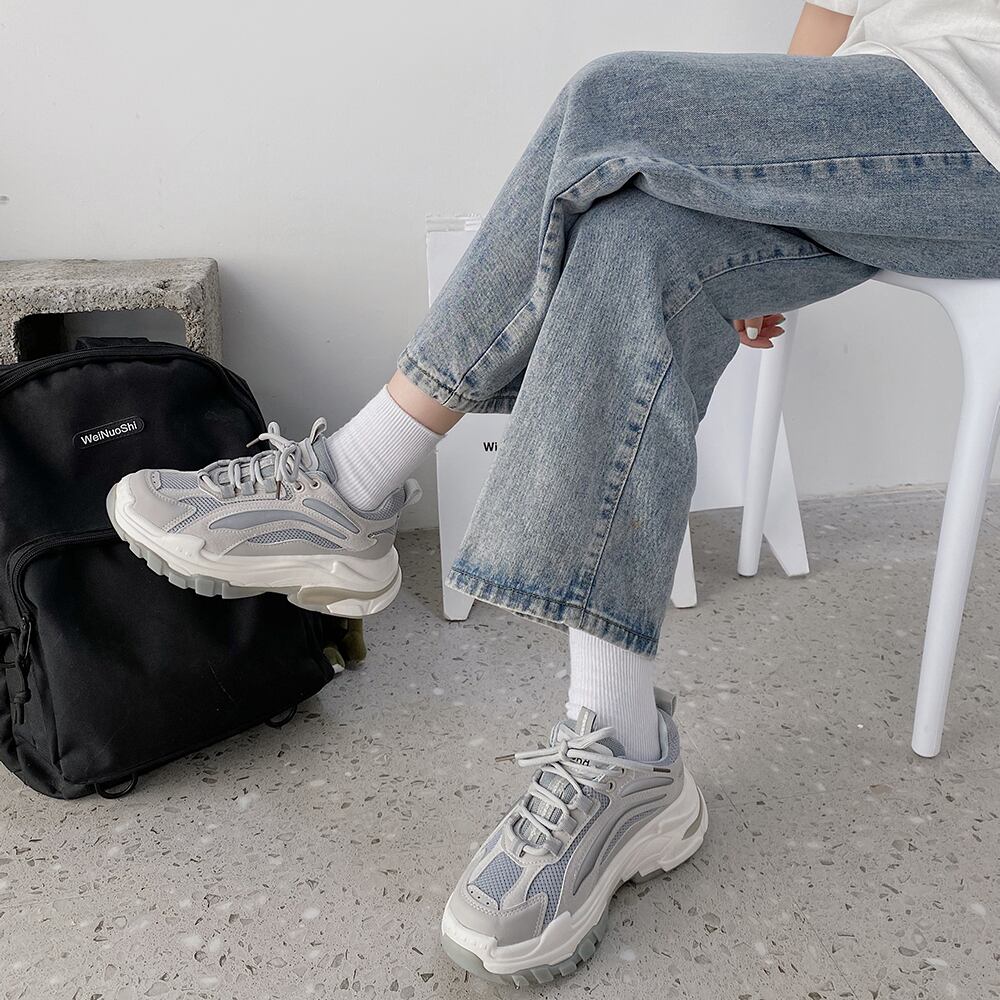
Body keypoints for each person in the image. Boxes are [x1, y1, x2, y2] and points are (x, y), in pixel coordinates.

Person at [106, 0, 1000, 985]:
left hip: (977, 139)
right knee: (630, 240)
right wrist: (755, 170)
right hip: (866, 146)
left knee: (615, 97)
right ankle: (625, 754)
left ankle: (355, 479)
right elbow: (834, 15)